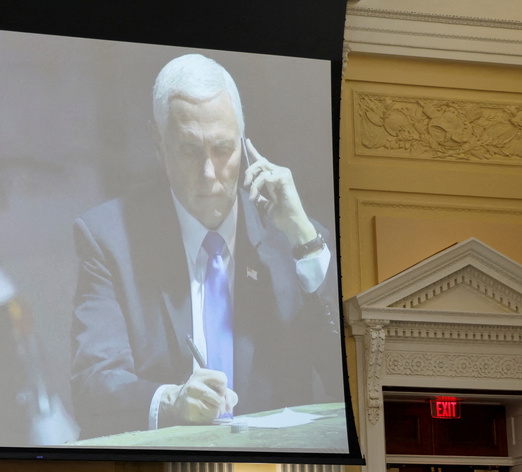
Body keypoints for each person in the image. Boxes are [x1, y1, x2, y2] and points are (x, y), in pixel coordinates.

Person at [71, 53, 340, 438]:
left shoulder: (293, 237)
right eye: (189, 151)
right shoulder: (108, 237)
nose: (209, 173)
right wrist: (171, 401)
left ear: (245, 145)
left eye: (223, 149)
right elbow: (93, 385)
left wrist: (306, 242)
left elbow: (346, 381)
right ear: (157, 143)